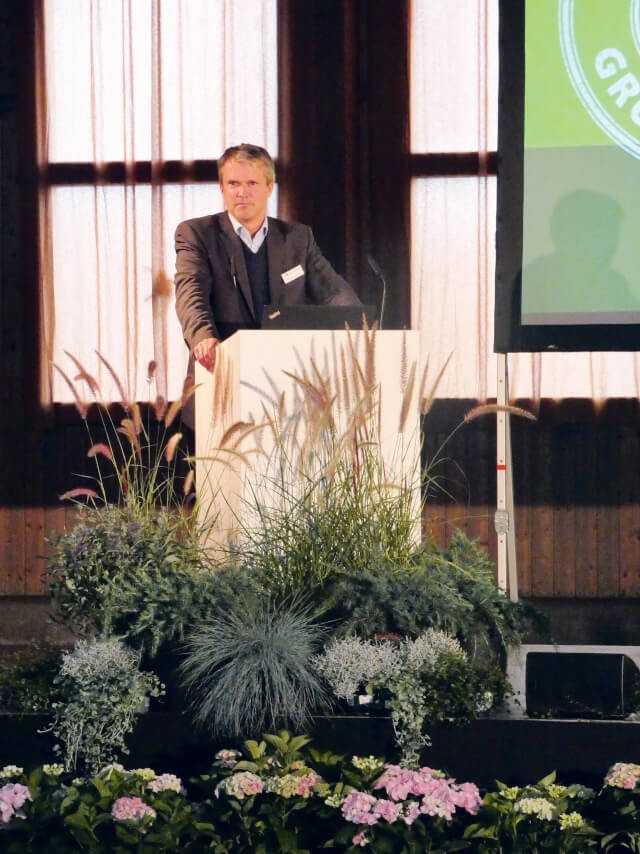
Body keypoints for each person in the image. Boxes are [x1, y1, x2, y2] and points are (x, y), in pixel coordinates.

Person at [174, 143, 361, 377]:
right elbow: (191, 294)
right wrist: (203, 336)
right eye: (233, 183)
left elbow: (333, 293)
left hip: (285, 376)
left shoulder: (297, 238)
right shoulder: (197, 233)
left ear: (269, 187)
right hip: (218, 371)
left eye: (252, 183)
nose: (242, 192)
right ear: (221, 188)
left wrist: (359, 326)